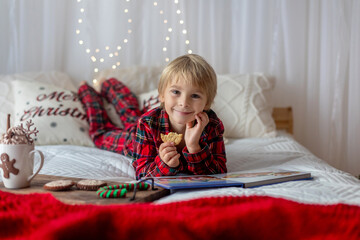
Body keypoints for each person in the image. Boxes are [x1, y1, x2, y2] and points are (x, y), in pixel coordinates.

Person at [78, 54, 227, 179]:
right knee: (101, 135)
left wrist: (194, 147)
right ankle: (94, 89)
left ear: (207, 103)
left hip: (145, 126)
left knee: (131, 117)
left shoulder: (212, 125)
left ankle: (109, 85)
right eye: (176, 92)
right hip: (134, 140)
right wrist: (165, 164)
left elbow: (219, 173)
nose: (184, 103)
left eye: (195, 95)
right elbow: (142, 173)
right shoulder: (147, 123)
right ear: (161, 95)